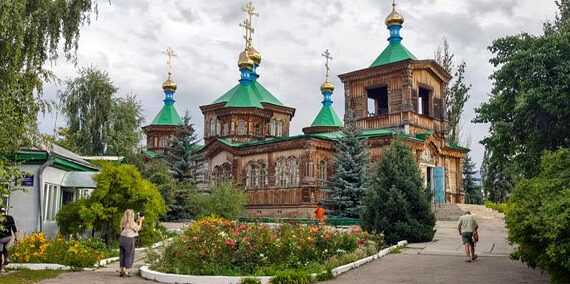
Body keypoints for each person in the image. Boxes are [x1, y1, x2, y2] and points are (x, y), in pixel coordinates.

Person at [119, 209, 143, 277]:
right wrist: (141, 221)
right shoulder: (132, 223)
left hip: (121, 238)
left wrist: (137, 221)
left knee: (122, 255)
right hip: (128, 240)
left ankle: (121, 271)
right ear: (131, 216)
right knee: (129, 255)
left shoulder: (123, 222)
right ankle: (126, 272)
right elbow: (138, 228)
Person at [0, 207, 19, 274]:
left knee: (0, 250)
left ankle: (5, 260)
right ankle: (6, 259)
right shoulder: (10, 217)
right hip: (8, 237)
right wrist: (16, 237)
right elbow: (14, 228)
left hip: (1, 238)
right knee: (2, 248)